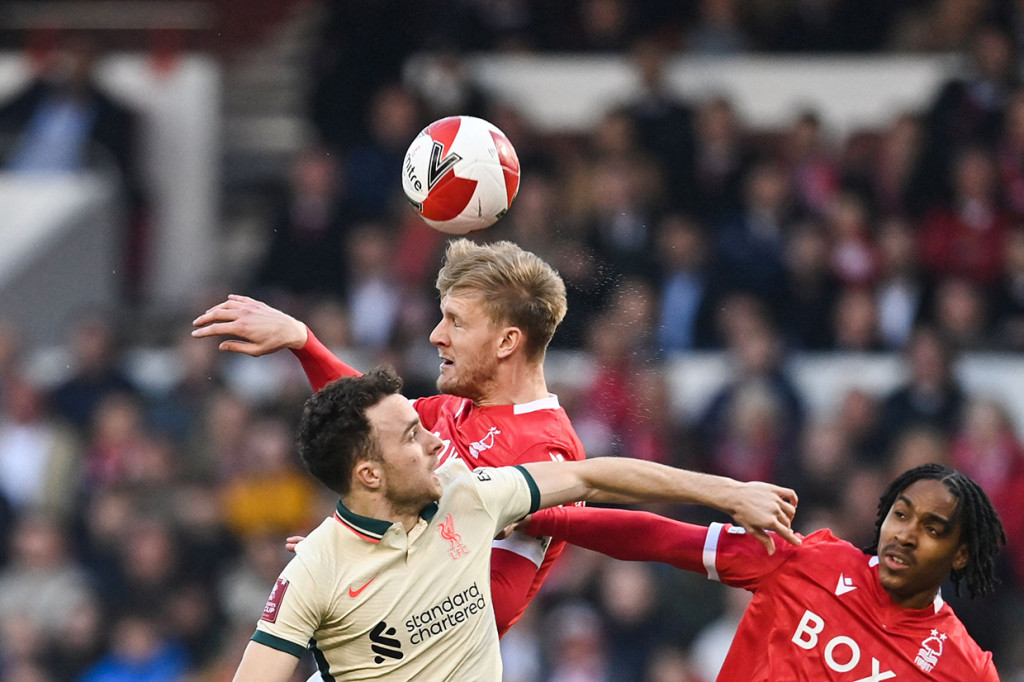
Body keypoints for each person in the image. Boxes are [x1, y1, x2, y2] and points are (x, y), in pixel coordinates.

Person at [231, 367, 800, 681]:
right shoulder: (314, 569)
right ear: (369, 475)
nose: (437, 442)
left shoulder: (468, 497)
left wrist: (729, 492)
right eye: (412, 435)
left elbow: (592, 479)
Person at [192, 239, 586, 636]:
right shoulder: (453, 408)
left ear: (507, 342)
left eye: (456, 322)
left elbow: (492, 605)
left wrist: (362, 566)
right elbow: (370, 413)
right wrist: (301, 341)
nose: (436, 335)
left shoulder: (543, 448)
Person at [523, 463, 1006, 680]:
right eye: (900, 514)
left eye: (932, 528)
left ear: (960, 554)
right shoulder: (808, 558)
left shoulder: (965, 669)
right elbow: (662, 538)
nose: (904, 534)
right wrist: (543, 515)